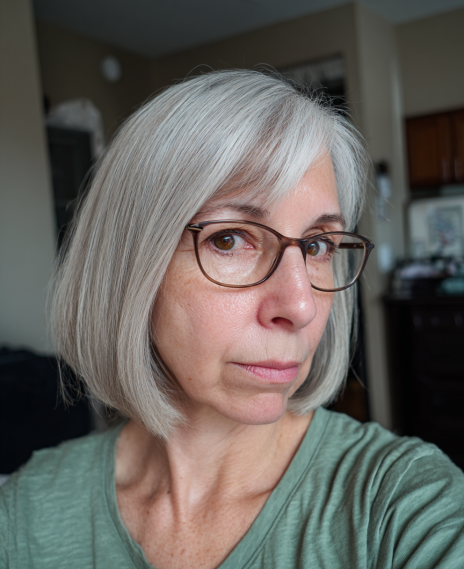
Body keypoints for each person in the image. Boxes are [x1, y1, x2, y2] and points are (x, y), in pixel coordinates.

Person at [1, 70, 463, 569]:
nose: (301, 306)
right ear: (130, 268)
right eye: (229, 239)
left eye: (317, 246)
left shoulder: (401, 504)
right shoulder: (24, 516)